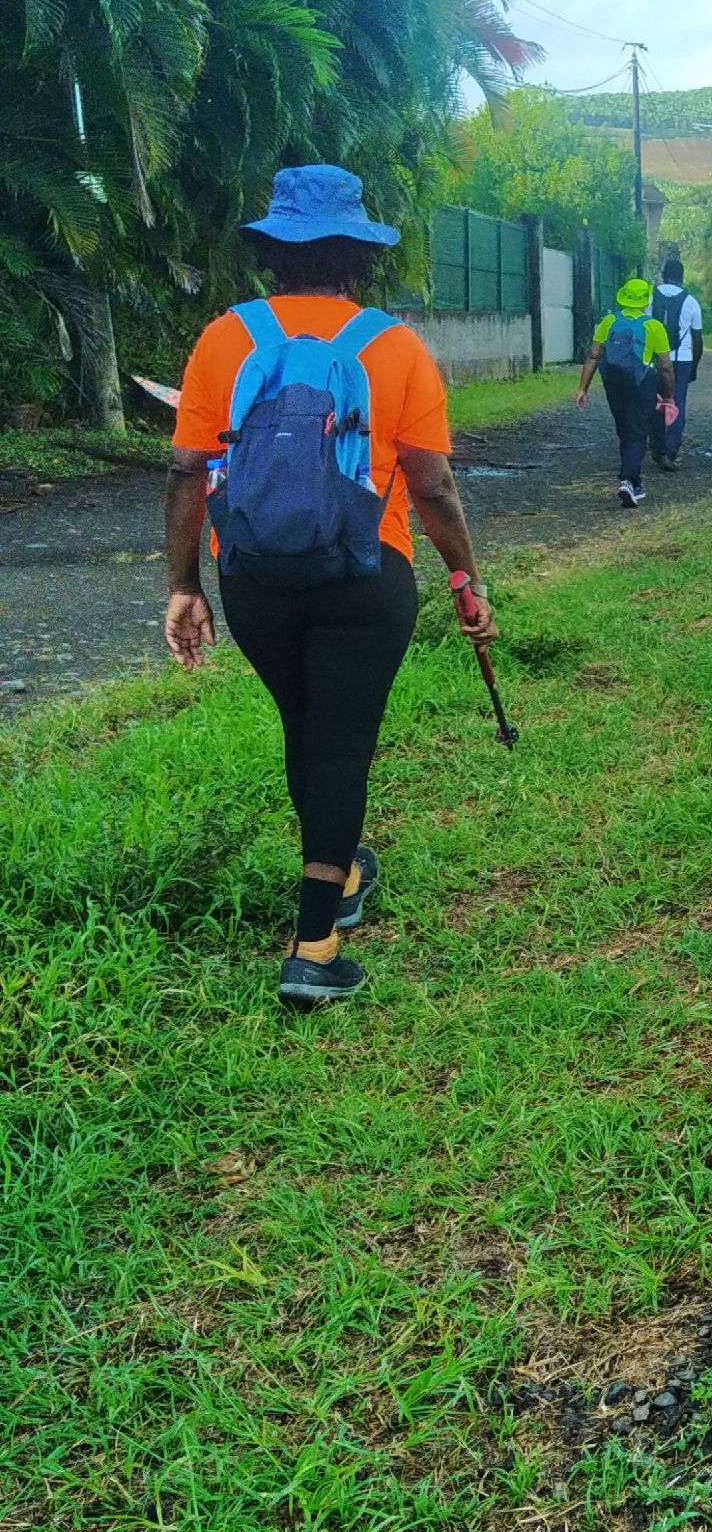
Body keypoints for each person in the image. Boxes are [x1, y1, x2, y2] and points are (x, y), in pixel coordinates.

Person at [161, 162, 495, 1011]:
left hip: (254, 577)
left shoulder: (224, 338)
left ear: (274, 252)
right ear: (359, 256)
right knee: (341, 743)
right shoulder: (394, 346)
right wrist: (465, 575)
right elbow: (432, 485)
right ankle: (314, 948)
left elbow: (186, 471)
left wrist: (184, 585)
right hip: (365, 574)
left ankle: (341, 871)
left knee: (306, 724)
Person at [577, 276, 674, 506]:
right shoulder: (653, 326)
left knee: (625, 428)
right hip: (642, 383)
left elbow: (593, 355)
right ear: (646, 300)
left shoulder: (609, 320)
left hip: (613, 382)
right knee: (637, 432)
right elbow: (665, 367)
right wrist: (669, 396)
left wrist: (583, 389)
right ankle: (629, 481)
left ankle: (630, 477)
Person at [649, 251, 702, 470]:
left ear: (663, 275)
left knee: (654, 401)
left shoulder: (651, 298)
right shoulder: (691, 301)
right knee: (677, 403)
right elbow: (697, 339)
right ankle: (670, 452)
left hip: (654, 359)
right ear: (682, 277)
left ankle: (656, 444)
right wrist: (694, 367)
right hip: (682, 359)